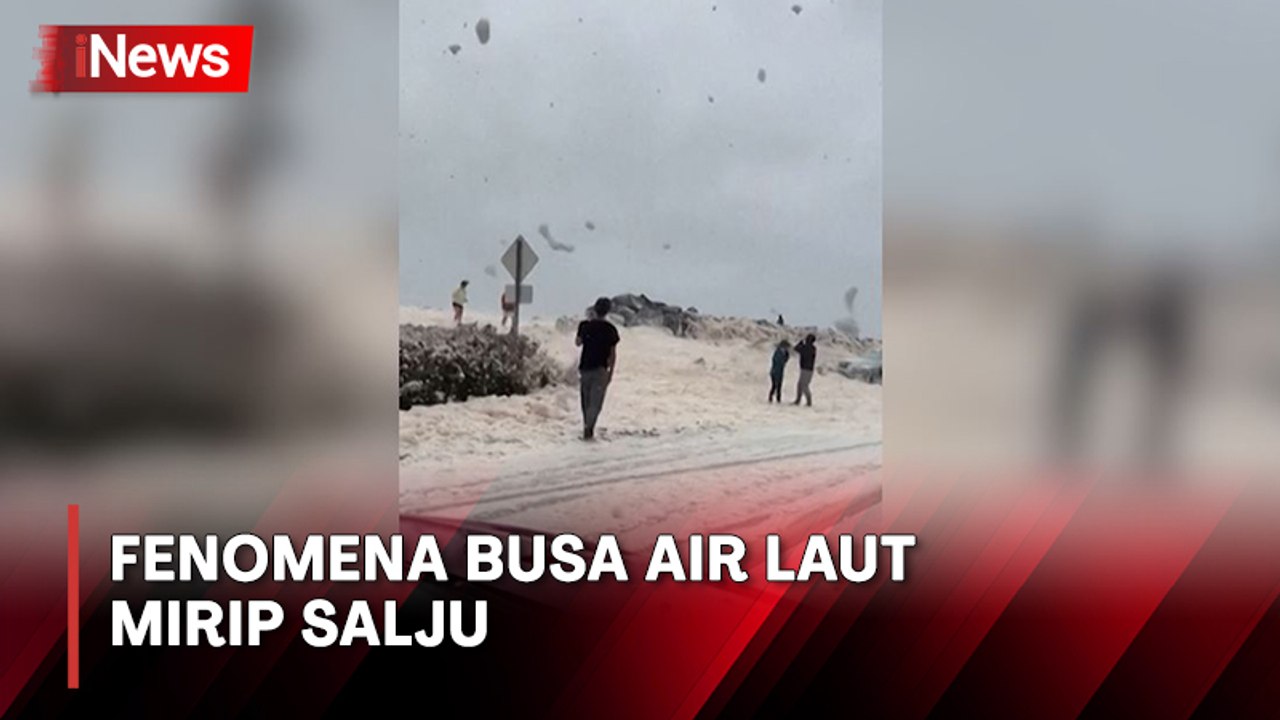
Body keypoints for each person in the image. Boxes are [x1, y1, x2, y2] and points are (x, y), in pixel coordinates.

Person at [576, 297, 620, 440]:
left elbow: (578, 343)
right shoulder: (610, 329)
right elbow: (613, 354)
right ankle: (589, 429)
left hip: (585, 368)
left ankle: (587, 429)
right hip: (600, 369)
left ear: (594, 309)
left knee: (585, 401)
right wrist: (611, 373)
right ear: (608, 311)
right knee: (595, 403)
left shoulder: (585, 326)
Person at [793, 334, 817, 406]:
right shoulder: (813, 348)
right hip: (808, 369)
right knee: (801, 385)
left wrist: (800, 343)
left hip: (806, 369)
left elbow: (796, 349)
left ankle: (808, 401)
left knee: (803, 385)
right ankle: (799, 400)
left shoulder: (806, 347)